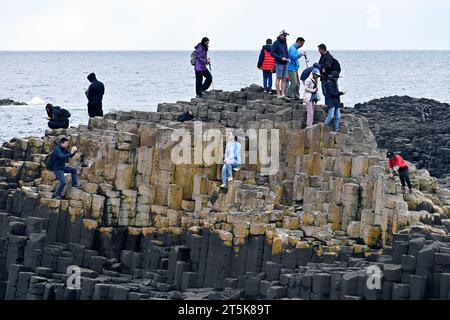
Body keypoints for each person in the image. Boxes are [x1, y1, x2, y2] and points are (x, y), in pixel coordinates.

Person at [271, 30, 290, 99]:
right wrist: (280, 58)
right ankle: (278, 94)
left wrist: (288, 58)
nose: (285, 37)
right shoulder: (276, 43)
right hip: (279, 63)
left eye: (286, 35)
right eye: (284, 35)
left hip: (286, 63)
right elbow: (272, 53)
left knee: (284, 79)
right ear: (280, 35)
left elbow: (286, 51)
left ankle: (283, 94)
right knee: (278, 78)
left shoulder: (285, 43)